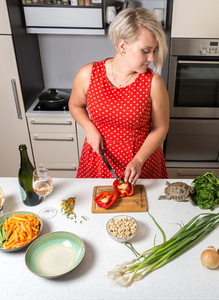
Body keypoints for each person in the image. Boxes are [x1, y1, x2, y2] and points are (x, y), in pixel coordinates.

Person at [69, 7, 169, 185]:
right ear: (123, 46)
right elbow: (75, 105)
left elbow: (160, 128)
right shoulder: (88, 74)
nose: (152, 58)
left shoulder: (154, 82)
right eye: (146, 51)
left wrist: (138, 160)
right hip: (98, 161)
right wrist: (89, 128)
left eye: (154, 50)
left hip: (141, 164)